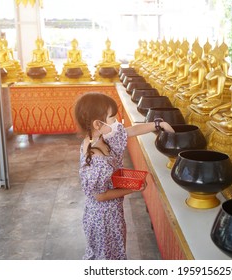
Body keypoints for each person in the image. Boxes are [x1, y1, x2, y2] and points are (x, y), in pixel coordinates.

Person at [74, 92, 174, 260]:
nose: (117, 122)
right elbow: (100, 195)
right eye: (112, 119)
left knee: (112, 253)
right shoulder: (96, 158)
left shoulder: (98, 138)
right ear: (97, 123)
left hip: (110, 214)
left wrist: (158, 124)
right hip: (103, 220)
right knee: (107, 257)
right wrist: (132, 188)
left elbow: (130, 131)